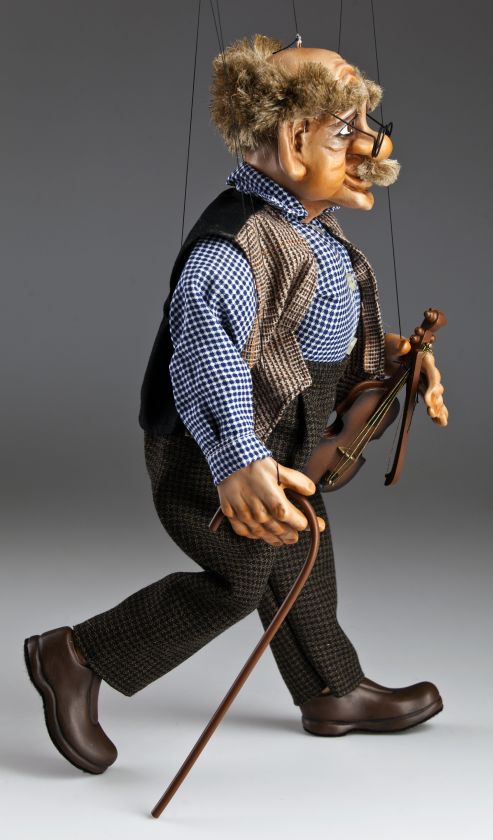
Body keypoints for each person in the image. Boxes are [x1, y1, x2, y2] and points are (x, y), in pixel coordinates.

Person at [24, 35, 448, 775]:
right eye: (345, 130)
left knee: (302, 551)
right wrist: (238, 459)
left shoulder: (310, 229)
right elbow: (206, 351)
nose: (371, 144)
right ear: (293, 139)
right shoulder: (236, 244)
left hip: (281, 432)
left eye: (366, 125)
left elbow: (312, 330)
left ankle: (332, 689)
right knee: (239, 576)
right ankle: (77, 656)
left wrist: (393, 359)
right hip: (213, 444)